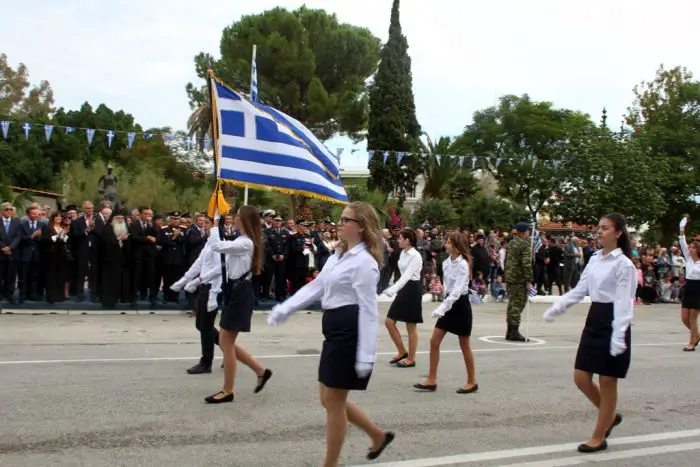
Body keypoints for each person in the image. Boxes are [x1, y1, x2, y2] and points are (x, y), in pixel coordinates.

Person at [267, 201, 394, 467]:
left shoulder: (364, 263)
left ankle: (330, 464)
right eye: (341, 219)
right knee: (327, 398)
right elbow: (317, 288)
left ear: (360, 227)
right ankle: (377, 435)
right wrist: (286, 308)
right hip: (334, 327)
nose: (340, 223)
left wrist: (366, 355)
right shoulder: (339, 256)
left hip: (350, 330)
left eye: (346, 220)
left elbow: (370, 312)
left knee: (334, 402)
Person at [543, 213, 635, 453]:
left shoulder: (624, 264)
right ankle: (610, 416)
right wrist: (558, 306)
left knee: (607, 380)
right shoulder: (594, 259)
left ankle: (599, 435)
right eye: (599, 228)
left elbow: (625, 303)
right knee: (581, 378)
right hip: (595, 317)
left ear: (618, 233)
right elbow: (580, 289)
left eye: (605, 228)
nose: (599, 232)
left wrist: (618, 335)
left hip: (615, 320)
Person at [203, 206, 272, 403]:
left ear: (245, 221)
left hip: (241, 292)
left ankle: (227, 390)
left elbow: (217, 246)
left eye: (238, 216)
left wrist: (215, 225)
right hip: (234, 290)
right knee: (225, 340)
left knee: (226, 342)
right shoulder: (242, 240)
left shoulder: (247, 243)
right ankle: (260, 371)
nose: (235, 218)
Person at [414, 231, 478, 394]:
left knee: (464, 345)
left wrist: (442, 308)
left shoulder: (463, 264)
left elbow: (457, 292)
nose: (446, 244)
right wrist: (442, 299)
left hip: (460, 305)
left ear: (457, 246)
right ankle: (431, 379)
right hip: (449, 303)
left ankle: (472, 381)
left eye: (449, 242)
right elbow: (448, 288)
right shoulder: (446, 262)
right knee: (434, 341)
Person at [381, 228, 424, 368]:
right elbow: (399, 272)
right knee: (389, 321)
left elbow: (407, 275)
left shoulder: (416, 256)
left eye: (400, 238)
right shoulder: (403, 253)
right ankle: (401, 351)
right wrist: (392, 285)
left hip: (412, 289)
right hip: (403, 288)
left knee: (410, 326)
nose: (398, 240)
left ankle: (411, 358)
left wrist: (393, 289)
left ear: (407, 240)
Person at [504, 222, 533, 341]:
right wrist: (528, 280)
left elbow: (507, 260)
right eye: (528, 230)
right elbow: (526, 264)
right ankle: (514, 332)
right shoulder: (524, 244)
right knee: (517, 304)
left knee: (511, 304)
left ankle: (510, 330)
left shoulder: (511, 242)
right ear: (525, 231)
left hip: (510, 277)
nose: (529, 232)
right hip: (519, 279)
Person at [678, 215, 700, 351]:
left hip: (699, 288)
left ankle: (691, 343)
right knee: (684, 318)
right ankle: (696, 335)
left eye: (692, 248)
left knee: (693, 318)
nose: (689, 249)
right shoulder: (689, 259)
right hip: (689, 287)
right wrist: (682, 227)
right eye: (690, 247)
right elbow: (682, 241)